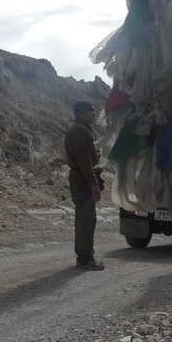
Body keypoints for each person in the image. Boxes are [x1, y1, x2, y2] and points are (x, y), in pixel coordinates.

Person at [64, 100, 105, 270]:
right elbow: (85, 161)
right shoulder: (79, 131)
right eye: (91, 111)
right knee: (86, 220)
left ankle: (86, 256)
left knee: (86, 219)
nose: (94, 114)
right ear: (81, 113)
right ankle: (85, 258)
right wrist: (93, 184)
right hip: (83, 182)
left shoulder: (81, 129)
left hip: (83, 180)